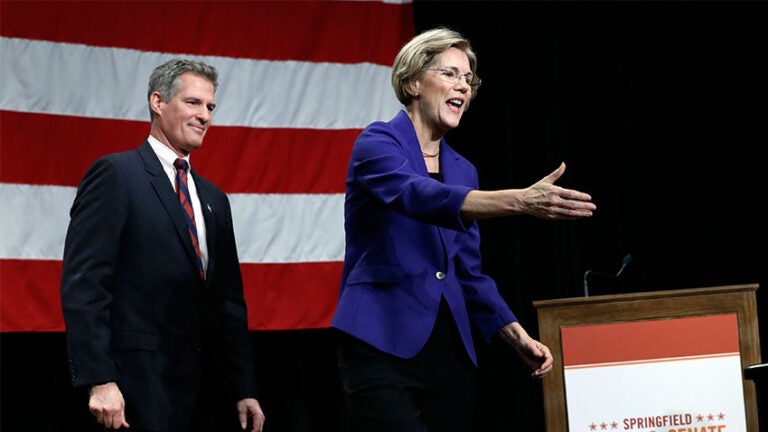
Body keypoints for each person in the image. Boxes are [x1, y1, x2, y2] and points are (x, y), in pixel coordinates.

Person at [331, 27, 597, 432]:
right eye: (450, 74)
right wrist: (520, 200)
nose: (463, 86)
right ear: (413, 82)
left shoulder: (462, 170)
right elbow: (416, 195)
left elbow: (467, 272)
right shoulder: (378, 143)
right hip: (380, 338)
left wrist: (516, 335)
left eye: (468, 79)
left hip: (449, 350)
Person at [60, 59, 266, 432]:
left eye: (210, 107)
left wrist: (243, 388)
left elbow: (227, 303)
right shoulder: (116, 175)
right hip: (136, 390)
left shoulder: (214, 199)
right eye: (193, 103)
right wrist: (99, 378)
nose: (204, 115)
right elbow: (85, 285)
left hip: (206, 395)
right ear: (158, 102)